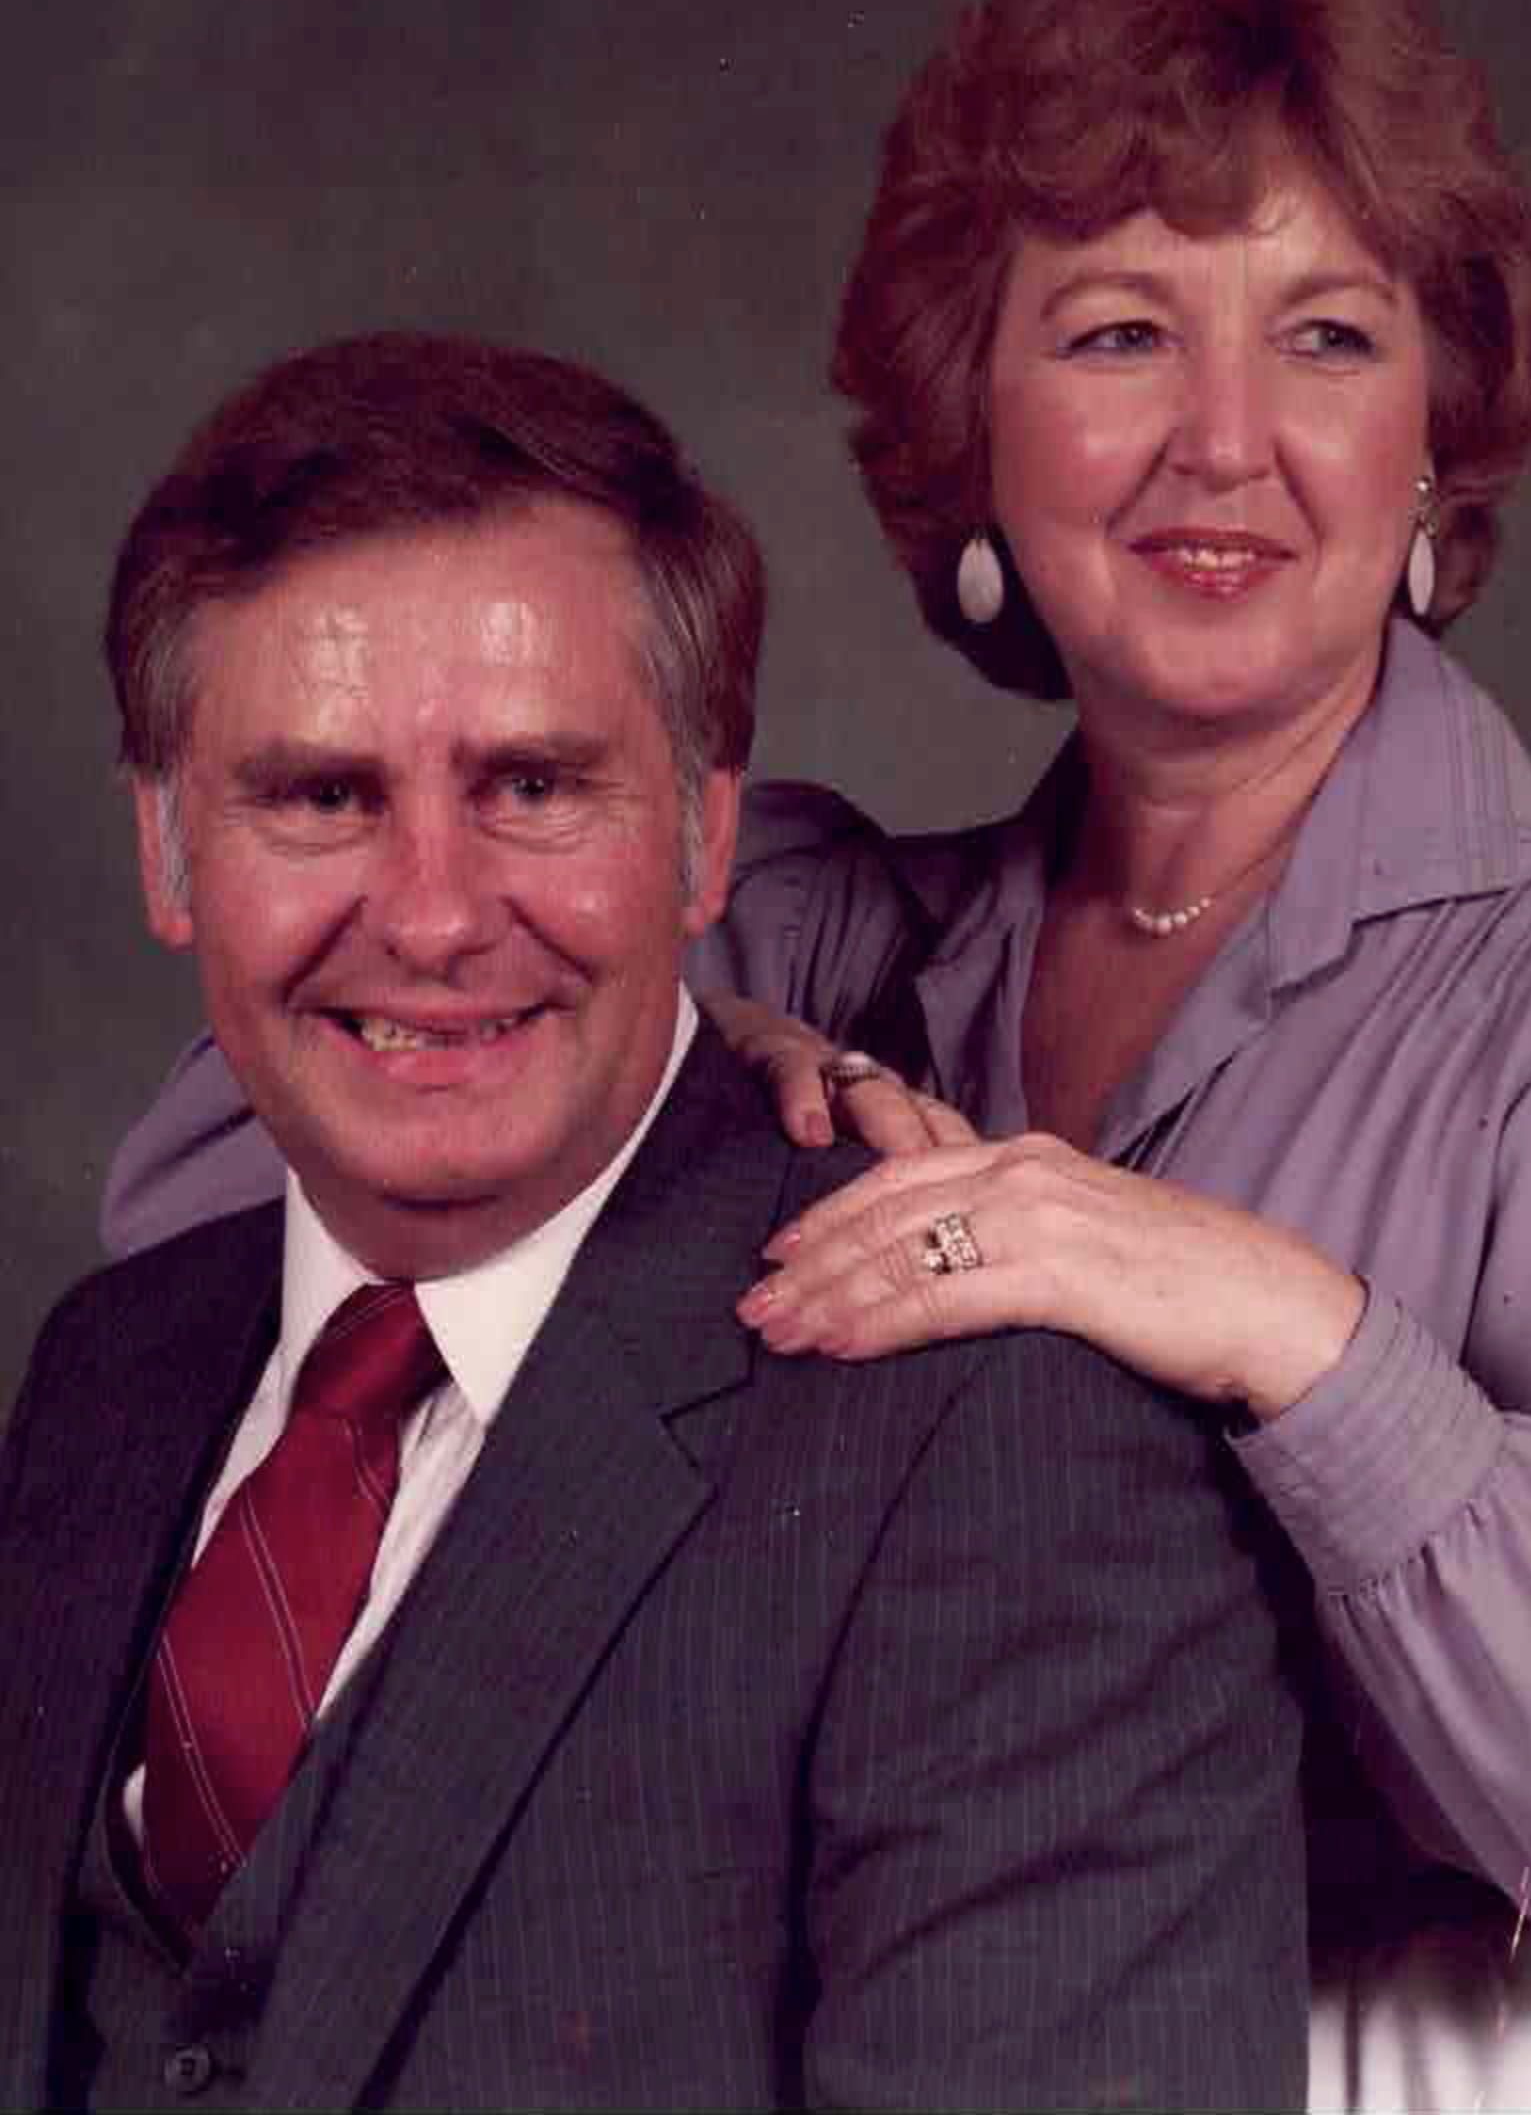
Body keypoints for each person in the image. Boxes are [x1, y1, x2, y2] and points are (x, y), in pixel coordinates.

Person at [99, 0, 1531, 2115]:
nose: (1225, 439)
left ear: (1435, 440)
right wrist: (704, 1061)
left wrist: (1293, 1332)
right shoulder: (809, 927)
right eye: (1117, 335)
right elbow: (210, 1244)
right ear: (975, 422)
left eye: (1328, 337)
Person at [0, 331, 1308, 2112]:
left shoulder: (1013, 1458)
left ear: (704, 839)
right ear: (166, 851)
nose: (438, 918)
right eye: (320, 797)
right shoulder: (106, 1374)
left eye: (535, 787)